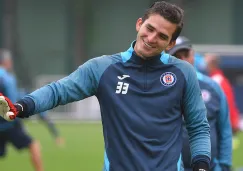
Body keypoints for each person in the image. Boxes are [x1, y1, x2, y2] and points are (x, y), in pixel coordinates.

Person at [0, 2, 211, 170]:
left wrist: (201, 165)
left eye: (162, 36)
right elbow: (58, 91)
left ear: (171, 44)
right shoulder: (103, 68)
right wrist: (22, 107)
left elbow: (199, 127)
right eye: (150, 28)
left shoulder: (184, 73)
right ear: (139, 24)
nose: (152, 38)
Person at [167, 36, 232, 171]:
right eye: (177, 56)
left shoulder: (213, 87)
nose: (183, 60)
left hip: (210, 167)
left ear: (193, 55)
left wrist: (224, 165)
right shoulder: (162, 88)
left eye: (186, 54)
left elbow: (224, 128)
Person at [0, 49, 44, 171]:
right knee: (34, 145)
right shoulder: (8, 78)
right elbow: (13, 103)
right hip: (9, 124)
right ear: (7, 62)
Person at [204, 53, 240, 134]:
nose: (205, 66)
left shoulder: (216, 80)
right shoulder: (219, 79)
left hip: (224, 122)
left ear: (212, 64)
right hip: (227, 120)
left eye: (206, 64)